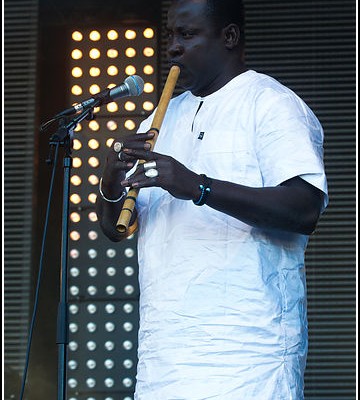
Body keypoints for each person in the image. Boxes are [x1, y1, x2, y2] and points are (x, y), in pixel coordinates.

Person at [96, 0, 328, 398]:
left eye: (187, 35)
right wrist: (111, 178)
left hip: (249, 354)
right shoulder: (159, 119)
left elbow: (304, 208)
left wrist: (198, 186)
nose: (172, 47)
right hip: (164, 358)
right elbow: (114, 229)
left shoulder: (272, 104)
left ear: (230, 37)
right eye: (171, 35)